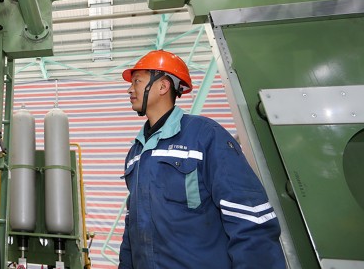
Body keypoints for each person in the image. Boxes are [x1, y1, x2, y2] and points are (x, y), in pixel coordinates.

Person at [118, 50, 285, 269]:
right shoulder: (136, 153)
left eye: (137, 81)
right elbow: (133, 227)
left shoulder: (205, 136)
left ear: (162, 86)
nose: (130, 89)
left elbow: (251, 217)